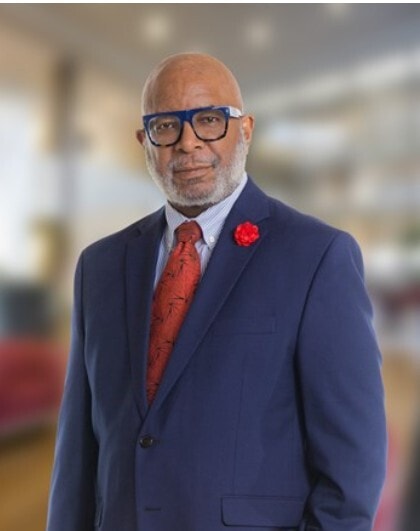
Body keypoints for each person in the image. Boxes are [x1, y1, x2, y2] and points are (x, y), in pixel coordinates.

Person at [47, 53, 386, 531]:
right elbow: (77, 456)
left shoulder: (316, 257)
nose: (188, 143)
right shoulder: (99, 267)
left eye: (209, 120)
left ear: (245, 129)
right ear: (145, 141)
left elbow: (353, 468)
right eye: (166, 126)